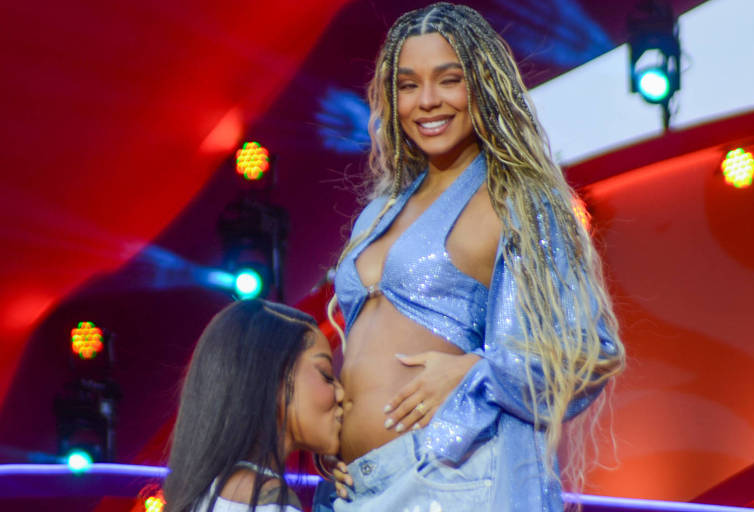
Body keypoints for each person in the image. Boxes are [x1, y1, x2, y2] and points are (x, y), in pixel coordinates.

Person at [318, 3, 626, 511]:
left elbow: (585, 352)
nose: (428, 101)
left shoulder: (517, 200)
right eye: (408, 85)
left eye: (449, 80)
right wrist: (336, 431)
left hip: (453, 478)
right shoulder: (377, 212)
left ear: (482, 84)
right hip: (357, 487)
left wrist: (473, 371)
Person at [163, 299, 344, 512]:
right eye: (326, 374)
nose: (341, 393)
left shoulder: (206, 495)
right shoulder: (266, 502)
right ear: (273, 378)